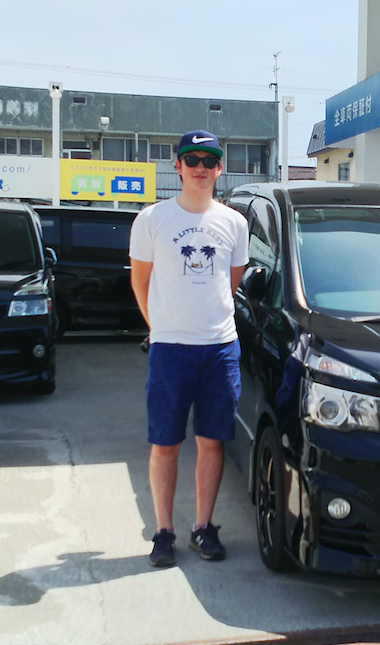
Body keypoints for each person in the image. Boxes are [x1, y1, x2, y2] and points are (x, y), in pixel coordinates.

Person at [128, 130, 249, 567]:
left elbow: (229, 284)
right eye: (191, 159)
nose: (201, 167)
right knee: (165, 443)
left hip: (220, 349)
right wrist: (159, 326)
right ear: (177, 166)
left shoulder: (234, 223)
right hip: (170, 351)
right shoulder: (152, 220)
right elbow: (140, 282)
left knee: (212, 442)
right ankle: (163, 532)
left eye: (209, 160)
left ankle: (203, 527)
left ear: (220, 169)